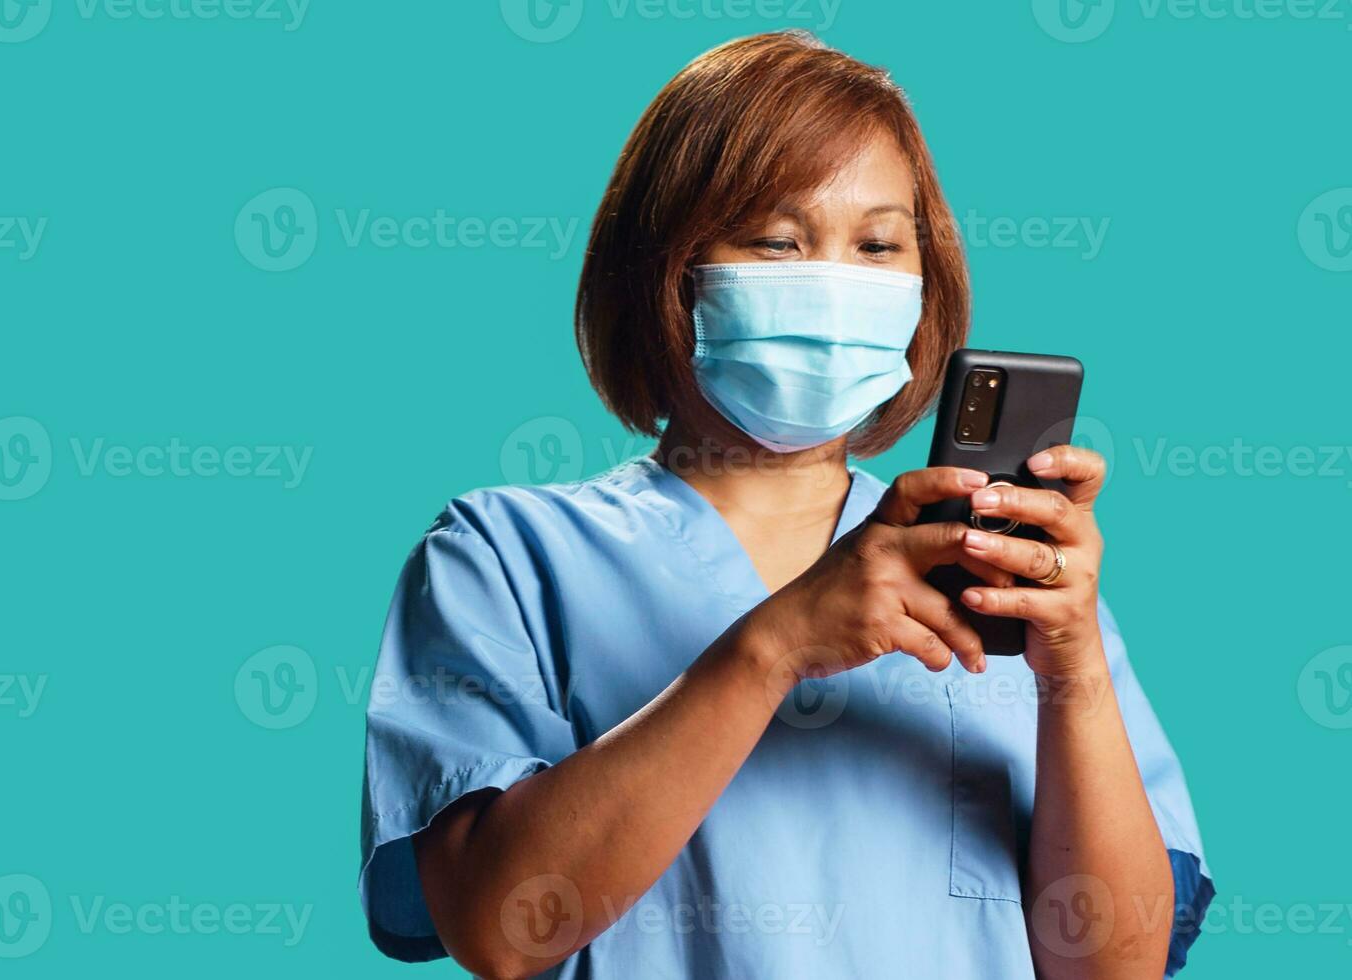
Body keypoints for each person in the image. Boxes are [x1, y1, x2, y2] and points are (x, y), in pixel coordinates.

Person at [359, 31, 1211, 980]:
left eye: (879, 245)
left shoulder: (1004, 573)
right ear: (670, 272)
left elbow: (1114, 965)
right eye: (778, 239)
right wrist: (775, 647)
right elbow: (499, 928)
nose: (839, 282)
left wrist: (1074, 663)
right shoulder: (507, 556)